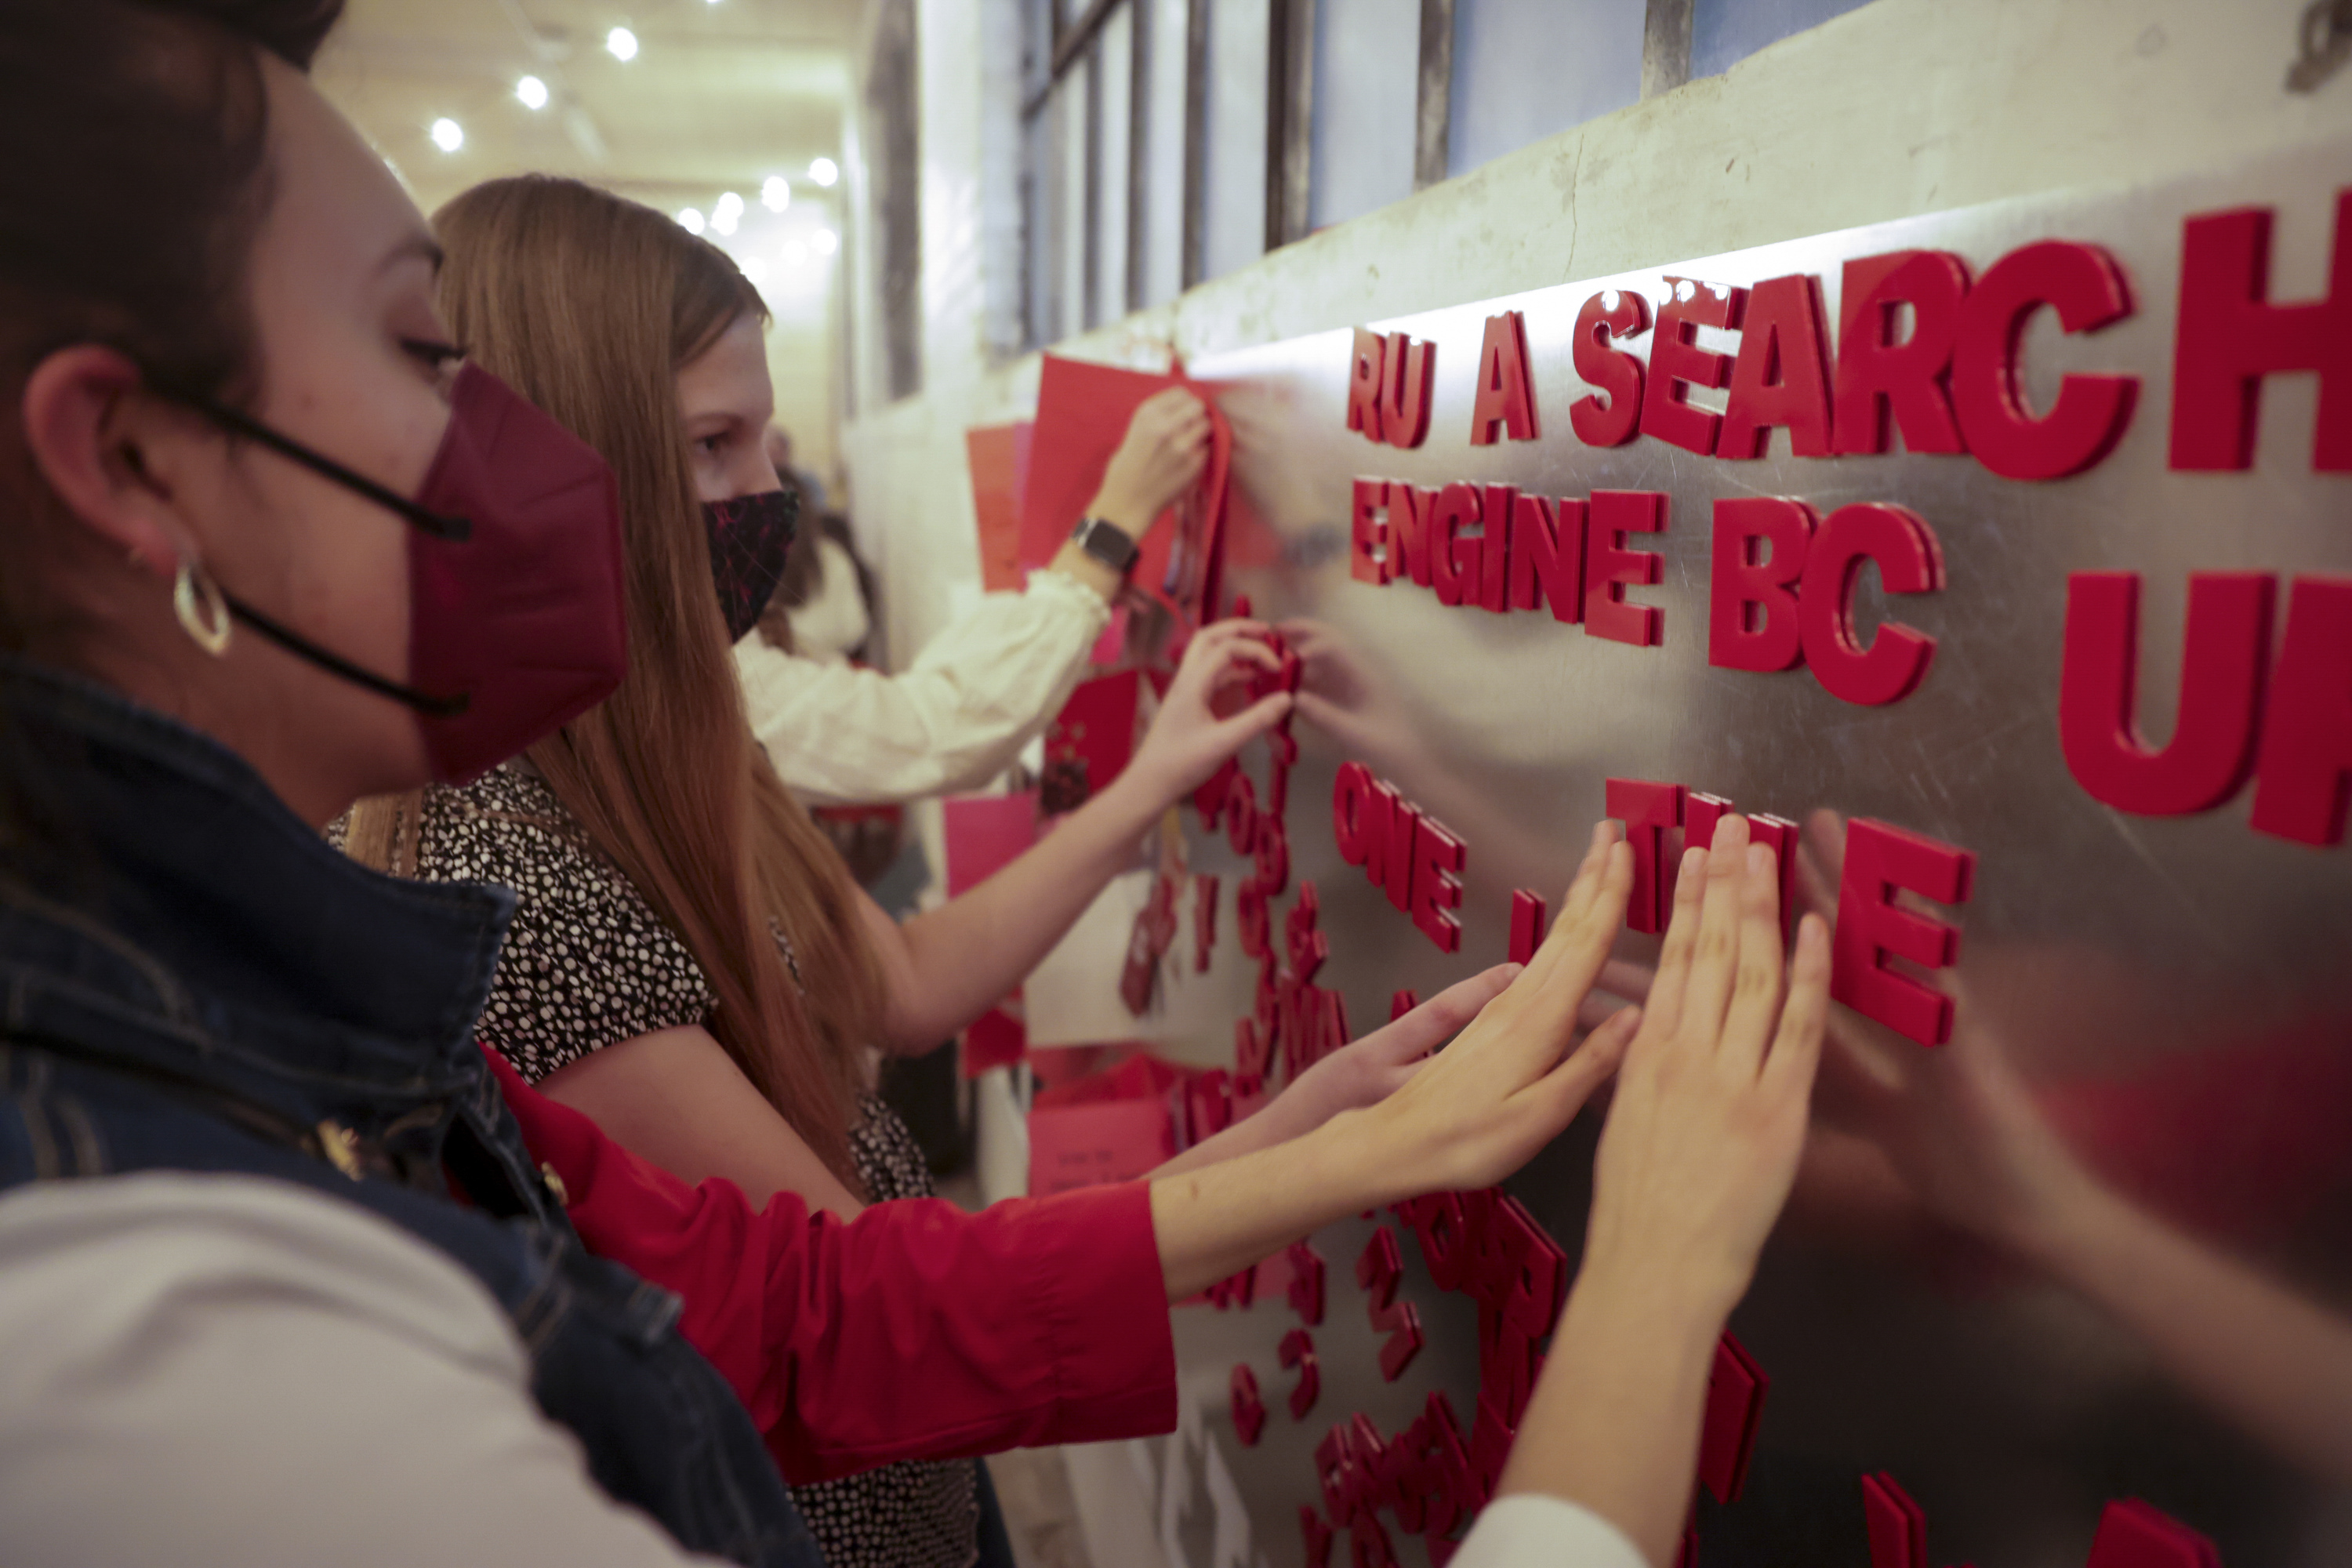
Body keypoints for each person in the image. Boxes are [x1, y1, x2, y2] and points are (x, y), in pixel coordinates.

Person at [0, 5, 1810, 1564]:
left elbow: (802, 1312)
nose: (506, 469)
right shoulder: (165, 1337)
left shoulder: (318, 1028)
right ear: (131, 458)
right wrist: (1648, 1274)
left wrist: (1335, 1135)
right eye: (417, 357)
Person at [335, 172, 1444, 1568]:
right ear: (550, 459)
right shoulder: (509, 882)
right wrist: (1334, 1150)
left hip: (918, 1477)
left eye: (767, 444)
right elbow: (862, 1321)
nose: (768, 497)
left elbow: (902, 982)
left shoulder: (675, 732)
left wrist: (1149, 786)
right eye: (711, 448)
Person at [733, 394, 1210, 805]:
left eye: (765, 440)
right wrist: (1115, 520)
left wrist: (1079, 576)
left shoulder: (728, 634)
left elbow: (928, 700)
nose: (771, 486)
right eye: (711, 441)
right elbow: (937, 727)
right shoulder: (707, 683)